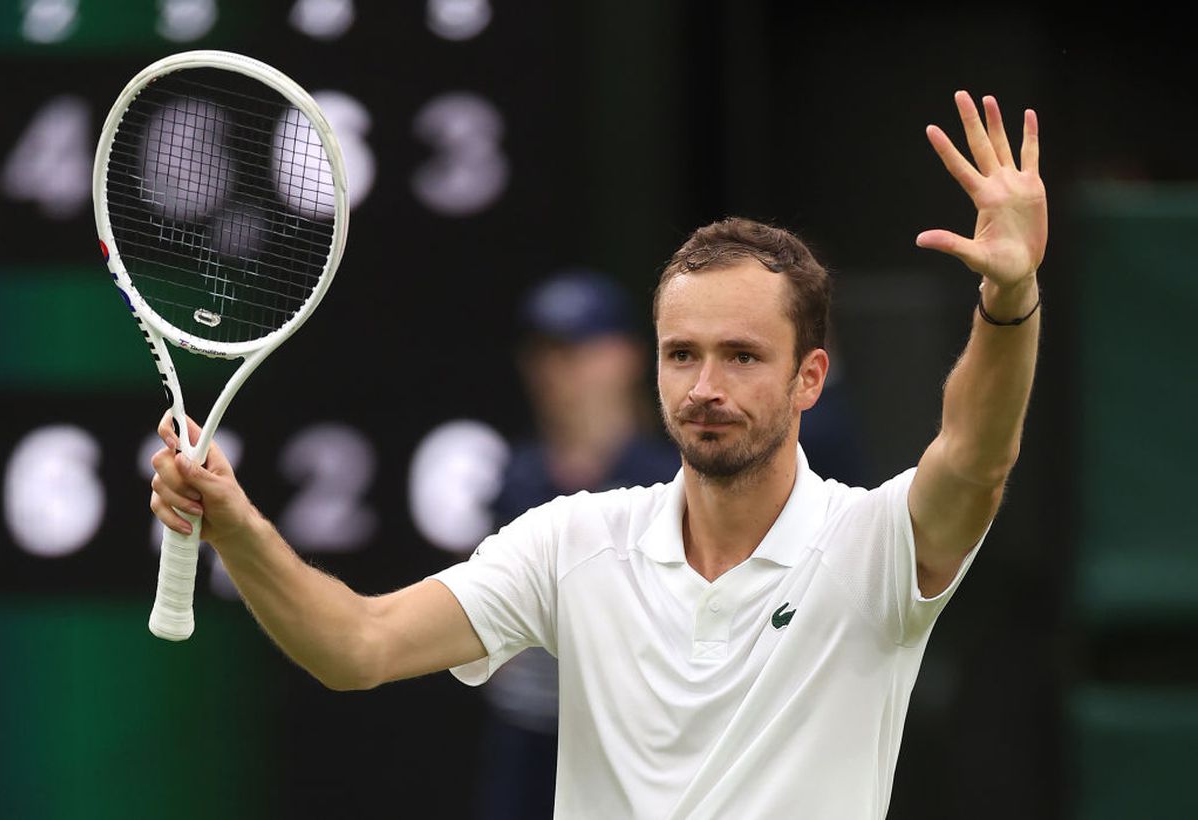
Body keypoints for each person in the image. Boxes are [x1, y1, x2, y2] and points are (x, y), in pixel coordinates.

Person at [148, 91, 1046, 818]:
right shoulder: (569, 542)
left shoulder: (871, 545)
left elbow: (976, 456)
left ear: (810, 378)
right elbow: (357, 646)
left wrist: (1008, 301)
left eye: (742, 356)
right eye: (681, 354)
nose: (705, 386)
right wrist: (232, 520)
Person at [475, 269, 680, 819]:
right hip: (523, 757)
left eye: (577, 350)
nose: (556, 371)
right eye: (543, 352)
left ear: (627, 358)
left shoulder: (671, 486)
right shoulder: (511, 482)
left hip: (637, 765)